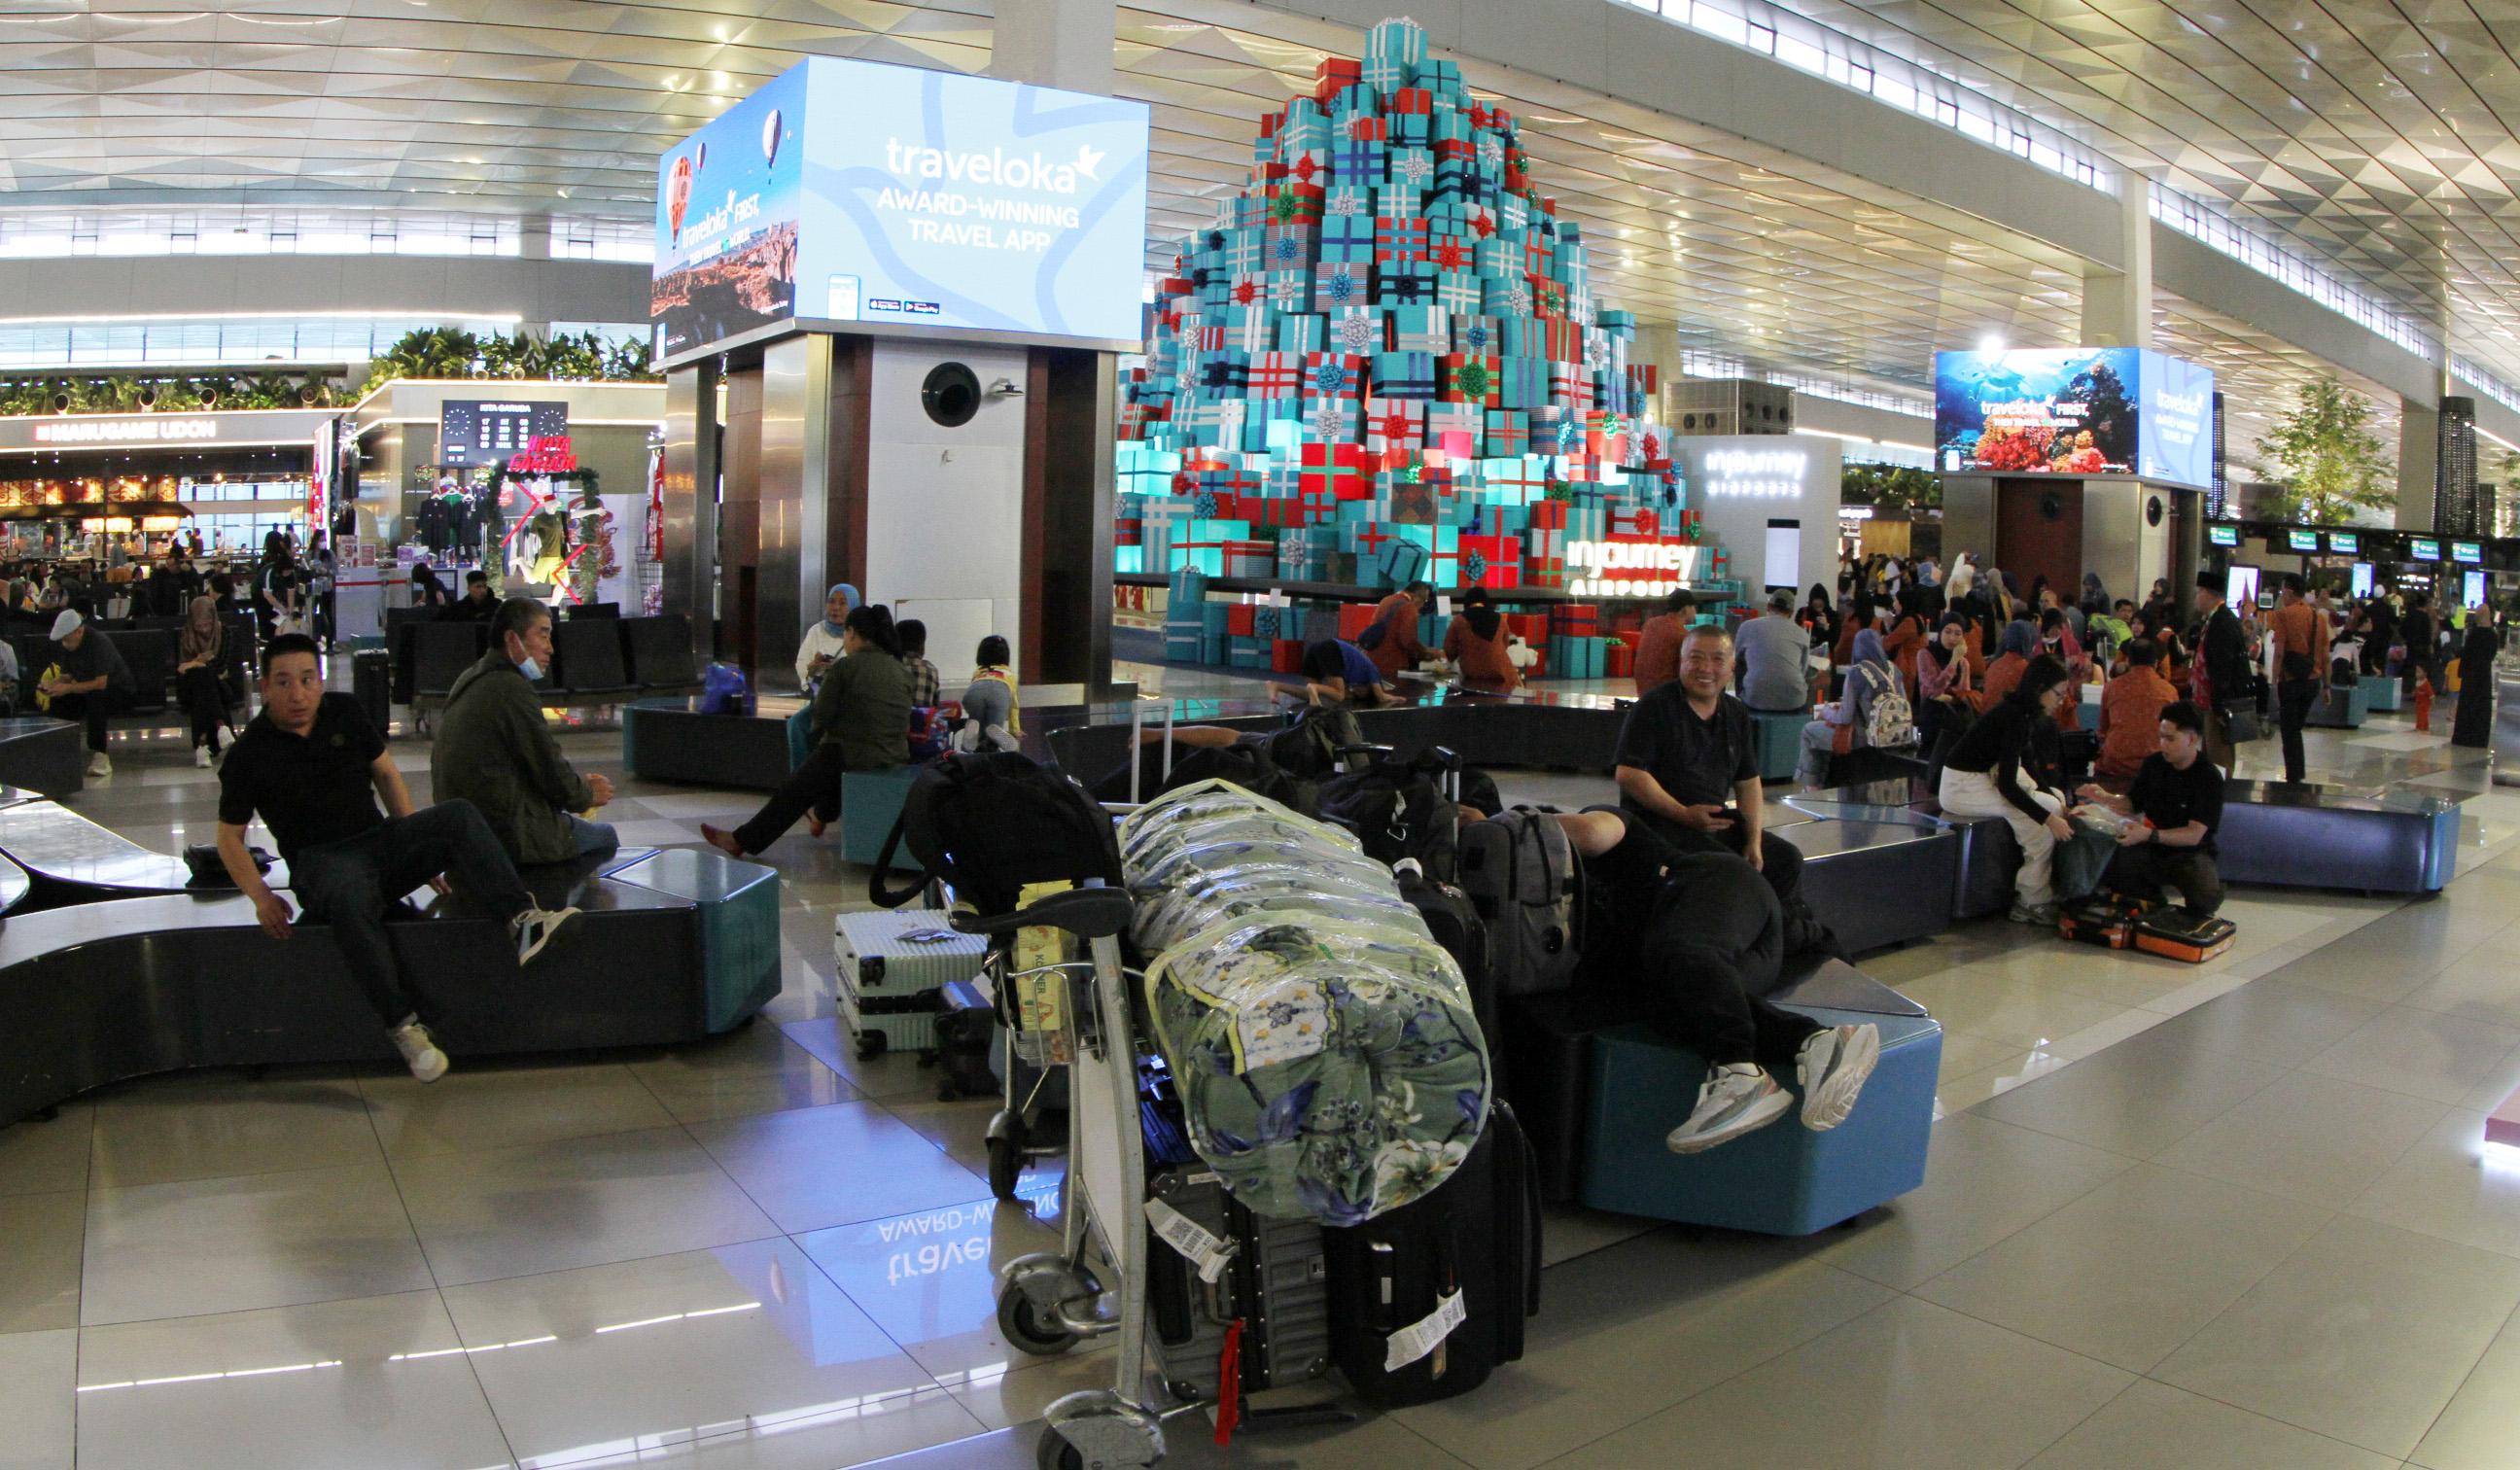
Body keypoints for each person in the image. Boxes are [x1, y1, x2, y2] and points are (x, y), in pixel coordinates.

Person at [217, 633, 582, 1083]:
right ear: (265, 688)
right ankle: (404, 1027)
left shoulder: (344, 711)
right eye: (284, 682)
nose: (298, 694)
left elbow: (387, 775)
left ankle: (522, 921)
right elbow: (229, 838)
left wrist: (410, 839)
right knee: (349, 892)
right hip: (323, 865)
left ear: (320, 680)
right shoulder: (249, 753)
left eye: (308, 679)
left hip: (377, 844)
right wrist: (261, 897)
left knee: (458, 815)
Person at [1613, 623, 1806, 908]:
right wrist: (1683, 814)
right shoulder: (1655, 706)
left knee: (1786, 859)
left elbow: (1748, 782)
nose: (1706, 668)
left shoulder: (1736, 713)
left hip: (1711, 824)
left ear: (1732, 668)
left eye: (1717, 659)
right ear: (1682, 661)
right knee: (1727, 866)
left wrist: (1753, 841)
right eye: (1696, 658)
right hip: (1657, 825)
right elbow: (1629, 774)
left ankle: (1781, 930)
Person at [704, 605, 911, 857]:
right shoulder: (900, 670)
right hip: (895, 754)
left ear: (852, 633)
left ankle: (743, 840)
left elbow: (821, 716)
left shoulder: (845, 667)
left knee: (799, 784)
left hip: (856, 753)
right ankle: (821, 814)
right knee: (830, 759)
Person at [430, 599, 618, 866]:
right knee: (606, 837)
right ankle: (563, 892)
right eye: (543, 635)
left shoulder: (472, 676)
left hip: (464, 827)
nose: (550, 648)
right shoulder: (510, 688)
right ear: (511, 639)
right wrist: (587, 795)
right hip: (505, 834)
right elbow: (548, 765)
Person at [1938, 652, 2078, 923]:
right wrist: (2050, 819)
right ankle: (2031, 900)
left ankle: (2035, 891)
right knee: (2045, 814)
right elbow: (2008, 786)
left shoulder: (2020, 713)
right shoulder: (2014, 717)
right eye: (2059, 694)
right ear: (2041, 688)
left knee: (2055, 799)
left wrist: (2058, 802)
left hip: (1979, 780)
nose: (2061, 701)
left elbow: (2029, 766)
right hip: (1962, 788)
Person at [2078, 700, 2224, 919]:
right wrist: (2105, 797)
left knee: (2204, 898)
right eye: (2161, 737)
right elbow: (2132, 803)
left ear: (2192, 739)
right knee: (2116, 870)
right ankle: (2152, 904)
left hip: (2190, 852)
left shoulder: (2208, 777)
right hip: (2151, 847)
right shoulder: (2154, 764)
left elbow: (2194, 834)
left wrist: (2149, 834)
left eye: (2170, 739)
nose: (2163, 744)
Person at [33, 609, 131, 778]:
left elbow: (101, 683)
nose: (64, 644)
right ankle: (60, 751)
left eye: (66, 640)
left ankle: (100, 755)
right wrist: (53, 685)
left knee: (96, 699)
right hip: (89, 690)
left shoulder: (99, 642)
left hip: (118, 692)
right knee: (59, 700)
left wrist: (67, 688)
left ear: (78, 631)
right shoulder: (70, 646)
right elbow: (67, 677)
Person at [1799, 626, 1899, 787]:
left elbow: (1845, 717)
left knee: (1809, 730)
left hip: (1861, 738)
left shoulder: (1856, 673)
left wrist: (1826, 711)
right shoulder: (1894, 671)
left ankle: (1811, 786)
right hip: (1892, 736)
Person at [2267, 574, 2329, 783]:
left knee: (2289, 731)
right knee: (2296, 728)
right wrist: (2327, 687)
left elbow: (2279, 653)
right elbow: (2326, 656)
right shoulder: (2320, 618)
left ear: (2289, 591)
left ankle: (2294, 777)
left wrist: (2274, 683)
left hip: (2291, 681)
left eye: (2282, 591)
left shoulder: (2283, 615)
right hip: (2313, 681)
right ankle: (2297, 774)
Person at [2095, 637, 2179, 783]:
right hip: (2156, 768)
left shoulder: (2111, 687)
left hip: (2114, 767)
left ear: (2128, 661)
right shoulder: (2169, 691)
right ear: (2156, 663)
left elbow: (2103, 730)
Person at [2194, 572, 2250, 773]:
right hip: (2212, 700)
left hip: (2218, 701)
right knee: (2212, 753)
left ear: (2207, 593)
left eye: (2199, 592)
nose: (2196, 598)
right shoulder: (2218, 618)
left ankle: (2222, 789)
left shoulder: (2221, 622)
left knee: (2219, 757)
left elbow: (2222, 666)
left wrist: (2219, 704)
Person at [175, 594, 230, 767]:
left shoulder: (224, 632)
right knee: (202, 679)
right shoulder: (186, 634)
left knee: (202, 683)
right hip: (191, 687)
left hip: (219, 685)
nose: (204, 630)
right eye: (199, 626)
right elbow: (180, 669)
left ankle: (201, 747)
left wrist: (194, 663)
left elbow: (220, 665)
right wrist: (198, 664)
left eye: (207, 625)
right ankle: (221, 726)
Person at [1735, 588, 1812, 713]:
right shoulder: (1802, 633)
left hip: (1754, 700)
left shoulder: (1747, 626)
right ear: (1791, 613)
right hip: (1794, 702)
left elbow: (1736, 661)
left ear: (1768, 607)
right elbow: (1803, 669)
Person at [1443, 586, 1521, 689]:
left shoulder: (1459, 620)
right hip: (1502, 676)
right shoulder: (1500, 619)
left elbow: (1449, 649)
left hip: (1473, 676)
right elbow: (1505, 645)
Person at [1282, 638, 1400, 706]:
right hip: (1331, 648)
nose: (1356, 689)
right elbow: (1380, 696)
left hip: (1316, 648)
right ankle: (1314, 687)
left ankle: (1277, 686)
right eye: (1362, 691)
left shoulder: (1354, 675)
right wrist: (1393, 698)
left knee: (1309, 695)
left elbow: (1347, 693)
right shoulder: (1373, 673)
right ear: (1369, 689)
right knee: (1339, 695)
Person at [955, 635, 1022, 752]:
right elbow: (1013, 705)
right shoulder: (1009, 674)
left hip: (974, 692)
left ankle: (974, 737)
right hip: (999, 693)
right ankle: (993, 740)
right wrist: (1015, 729)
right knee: (994, 728)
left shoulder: (978, 672)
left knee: (977, 722)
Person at [1356, 580, 1431, 682]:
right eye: (1424, 601)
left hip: (1372, 662)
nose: (1422, 606)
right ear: (1417, 597)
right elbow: (1408, 641)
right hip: (1392, 667)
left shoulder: (1386, 600)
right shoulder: (1409, 607)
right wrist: (1426, 652)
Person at [2453, 603, 2501, 749]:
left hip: (2470, 676)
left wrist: (2462, 671)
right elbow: (2491, 655)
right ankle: (2479, 738)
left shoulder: (2473, 635)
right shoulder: (2492, 636)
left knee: (2467, 706)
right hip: (2483, 676)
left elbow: (2466, 655)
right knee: (2482, 708)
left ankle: (2463, 737)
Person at [795, 583, 859, 689]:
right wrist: (814, 666)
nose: (835, 608)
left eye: (843, 603)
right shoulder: (816, 631)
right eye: (831, 601)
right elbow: (802, 665)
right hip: (818, 693)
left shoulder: (859, 634)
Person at [1632, 589, 1694, 694]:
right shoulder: (1682, 634)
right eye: (1694, 608)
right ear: (1686, 609)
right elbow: (1685, 673)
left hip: (1643, 692)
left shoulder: (1651, 623)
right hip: (1665, 695)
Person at [895, 618, 941, 708]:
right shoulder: (931, 670)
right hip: (922, 717)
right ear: (922, 647)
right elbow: (935, 705)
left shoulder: (891, 667)